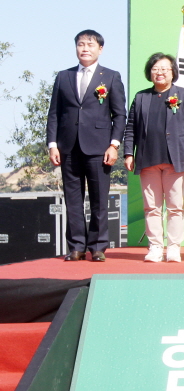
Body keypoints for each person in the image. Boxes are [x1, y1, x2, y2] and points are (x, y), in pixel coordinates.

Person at [46, 30, 127, 262]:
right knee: (73, 199)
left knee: (99, 199)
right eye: (81, 44)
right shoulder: (63, 76)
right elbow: (54, 113)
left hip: (99, 147)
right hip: (67, 147)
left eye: (90, 45)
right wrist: (52, 143)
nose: (85, 49)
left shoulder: (110, 76)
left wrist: (114, 145)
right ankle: (76, 246)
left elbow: (119, 115)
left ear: (100, 49)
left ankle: (98, 246)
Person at [122, 53, 184, 263]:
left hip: (176, 159)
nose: (160, 72)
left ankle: (173, 247)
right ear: (149, 72)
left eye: (164, 68)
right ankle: (155, 246)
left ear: (173, 72)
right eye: (155, 69)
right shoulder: (141, 97)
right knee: (151, 207)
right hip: (148, 159)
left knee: (175, 206)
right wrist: (128, 153)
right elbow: (130, 128)